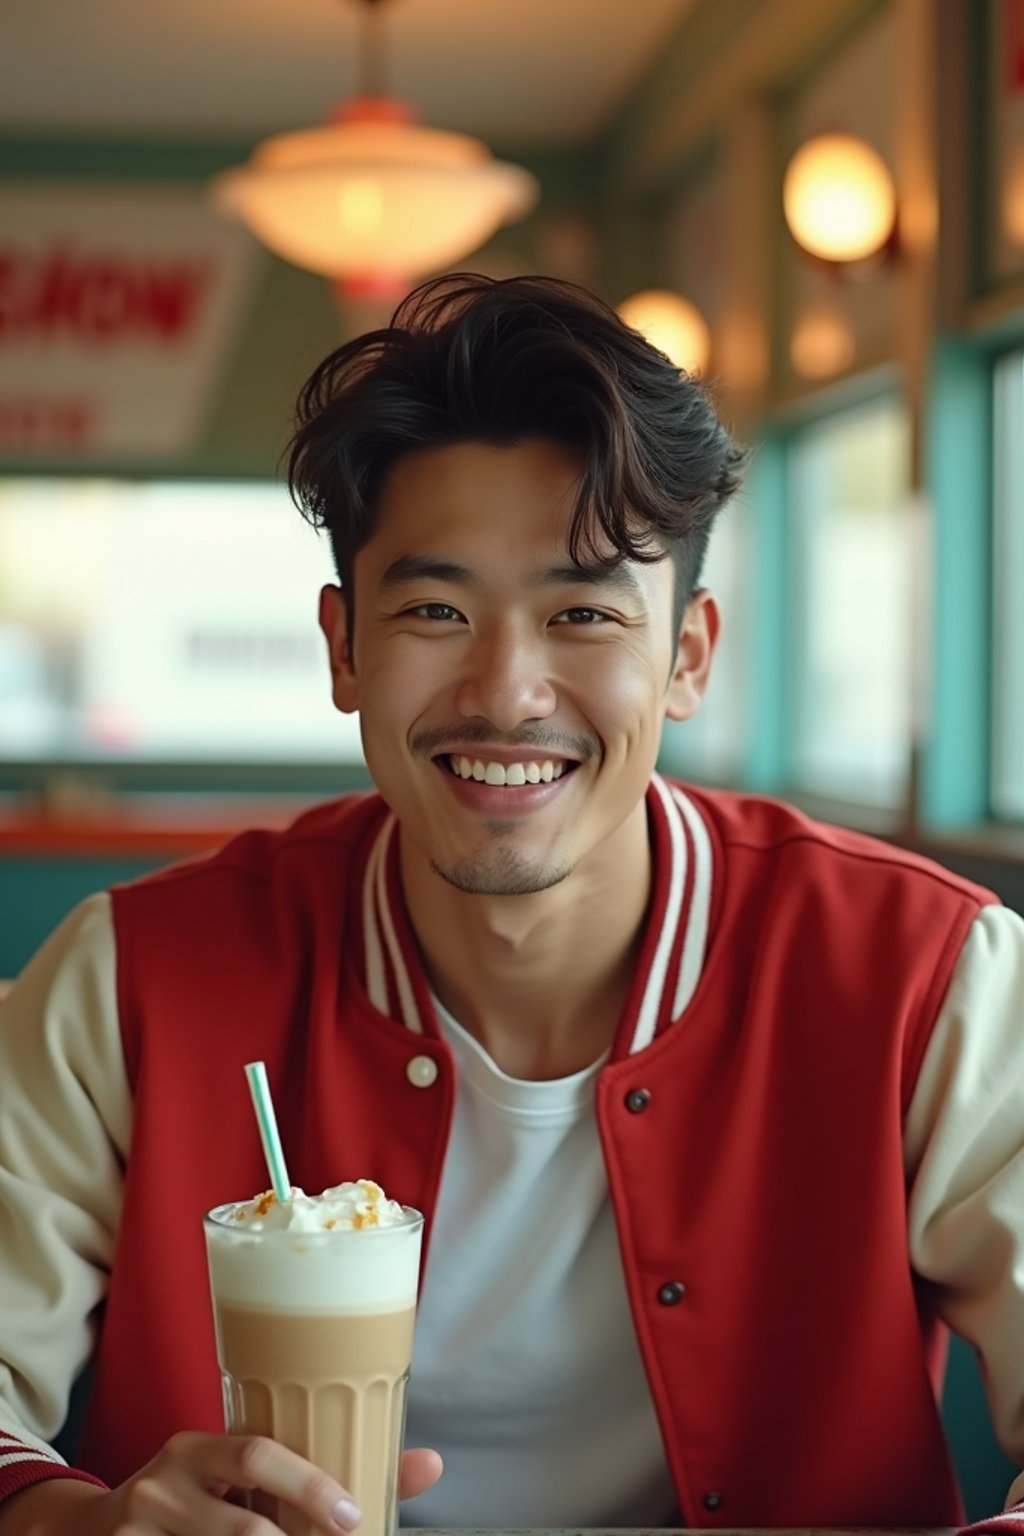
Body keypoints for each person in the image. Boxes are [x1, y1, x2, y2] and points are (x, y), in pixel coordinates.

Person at [0, 272, 1022, 1536]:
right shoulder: (130, 978)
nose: (508, 691)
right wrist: (77, 1522)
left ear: (688, 655)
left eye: (583, 612)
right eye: (434, 609)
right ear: (343, 649)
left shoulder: (931, 976)